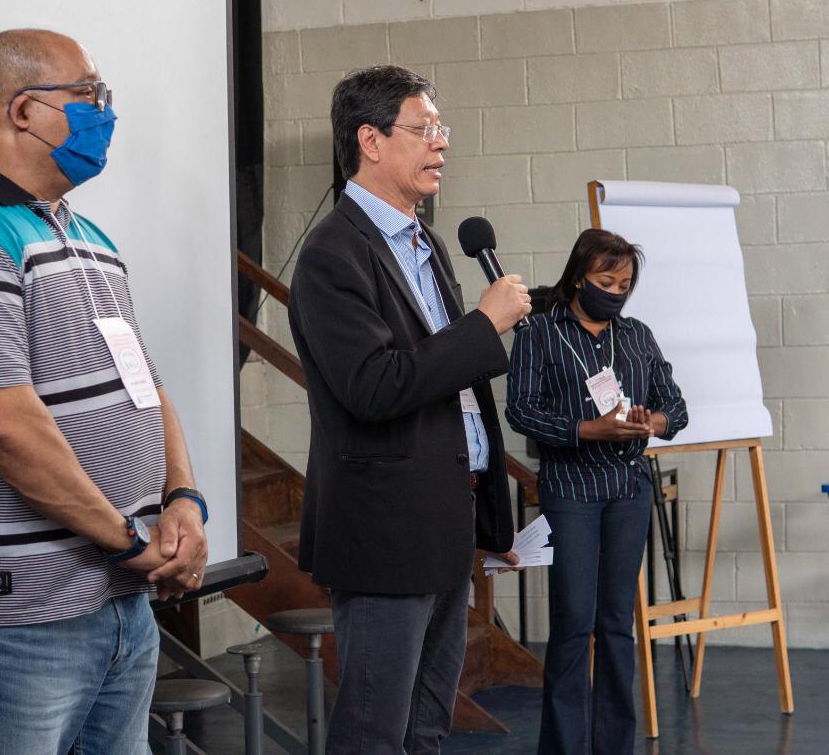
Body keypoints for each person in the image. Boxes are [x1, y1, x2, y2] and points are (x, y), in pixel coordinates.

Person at [0, 28, 208, 754]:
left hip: (122, 595)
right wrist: (126, 541)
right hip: (21, 608)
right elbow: (3, 424)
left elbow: (146, 387)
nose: (105, 113)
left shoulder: (88, 235)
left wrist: (183, 502)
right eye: (90, 95)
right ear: (24, 110)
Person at [288, 65, 530, 754]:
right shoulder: (333, 253)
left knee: (427, 729)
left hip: (445, 519)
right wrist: (484, 326)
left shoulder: (426, 243)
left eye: (440, 128)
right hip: (384, 532)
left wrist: (488, 509)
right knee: (375, 734)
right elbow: (374, 386)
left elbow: (453, 391)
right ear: (371, 140)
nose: (441, 143)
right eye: (423, 130)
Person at [506, 228, 688, 755]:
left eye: (624, 285)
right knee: (572, 624)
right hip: (571, 490)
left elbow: (676, 407)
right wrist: (589, 429)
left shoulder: (637, 336)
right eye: (605, 282)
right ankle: (564, 748)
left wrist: (650, 422)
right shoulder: (540, 333)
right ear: (578, 277)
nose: (615, 293)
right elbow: (521, 410)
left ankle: (614, 747)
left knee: (615, 625)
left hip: (629, 489)